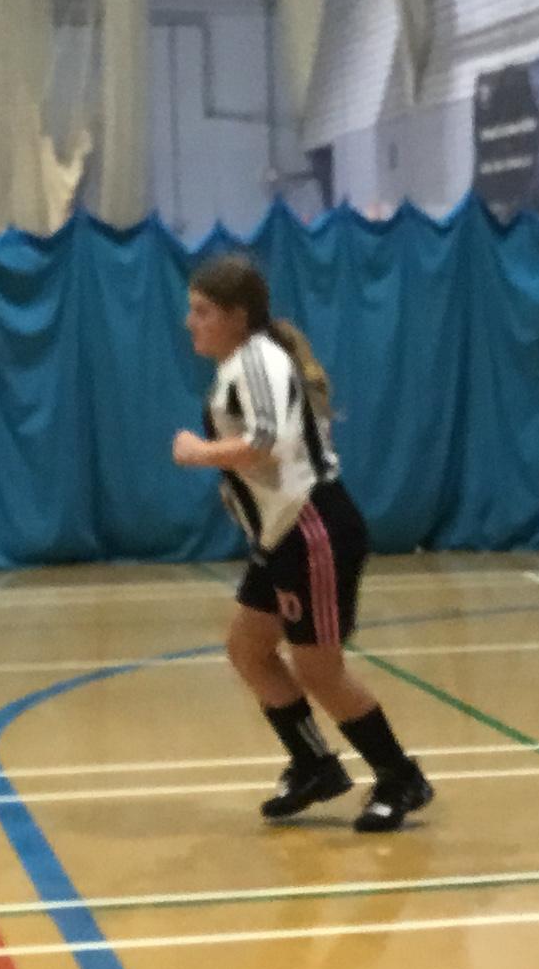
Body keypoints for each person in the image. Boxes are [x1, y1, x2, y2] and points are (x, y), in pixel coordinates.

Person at [171, 254, 434, 833]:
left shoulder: (258, 360)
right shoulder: (240, 365)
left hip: (311, 527)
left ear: (237, 315)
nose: (191, 322)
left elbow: (266, 441)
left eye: (203, 311)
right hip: (280, 533)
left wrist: (200, 452)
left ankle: (399, 776)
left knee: (319, 669)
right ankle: (315, 763)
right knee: (248, 649)